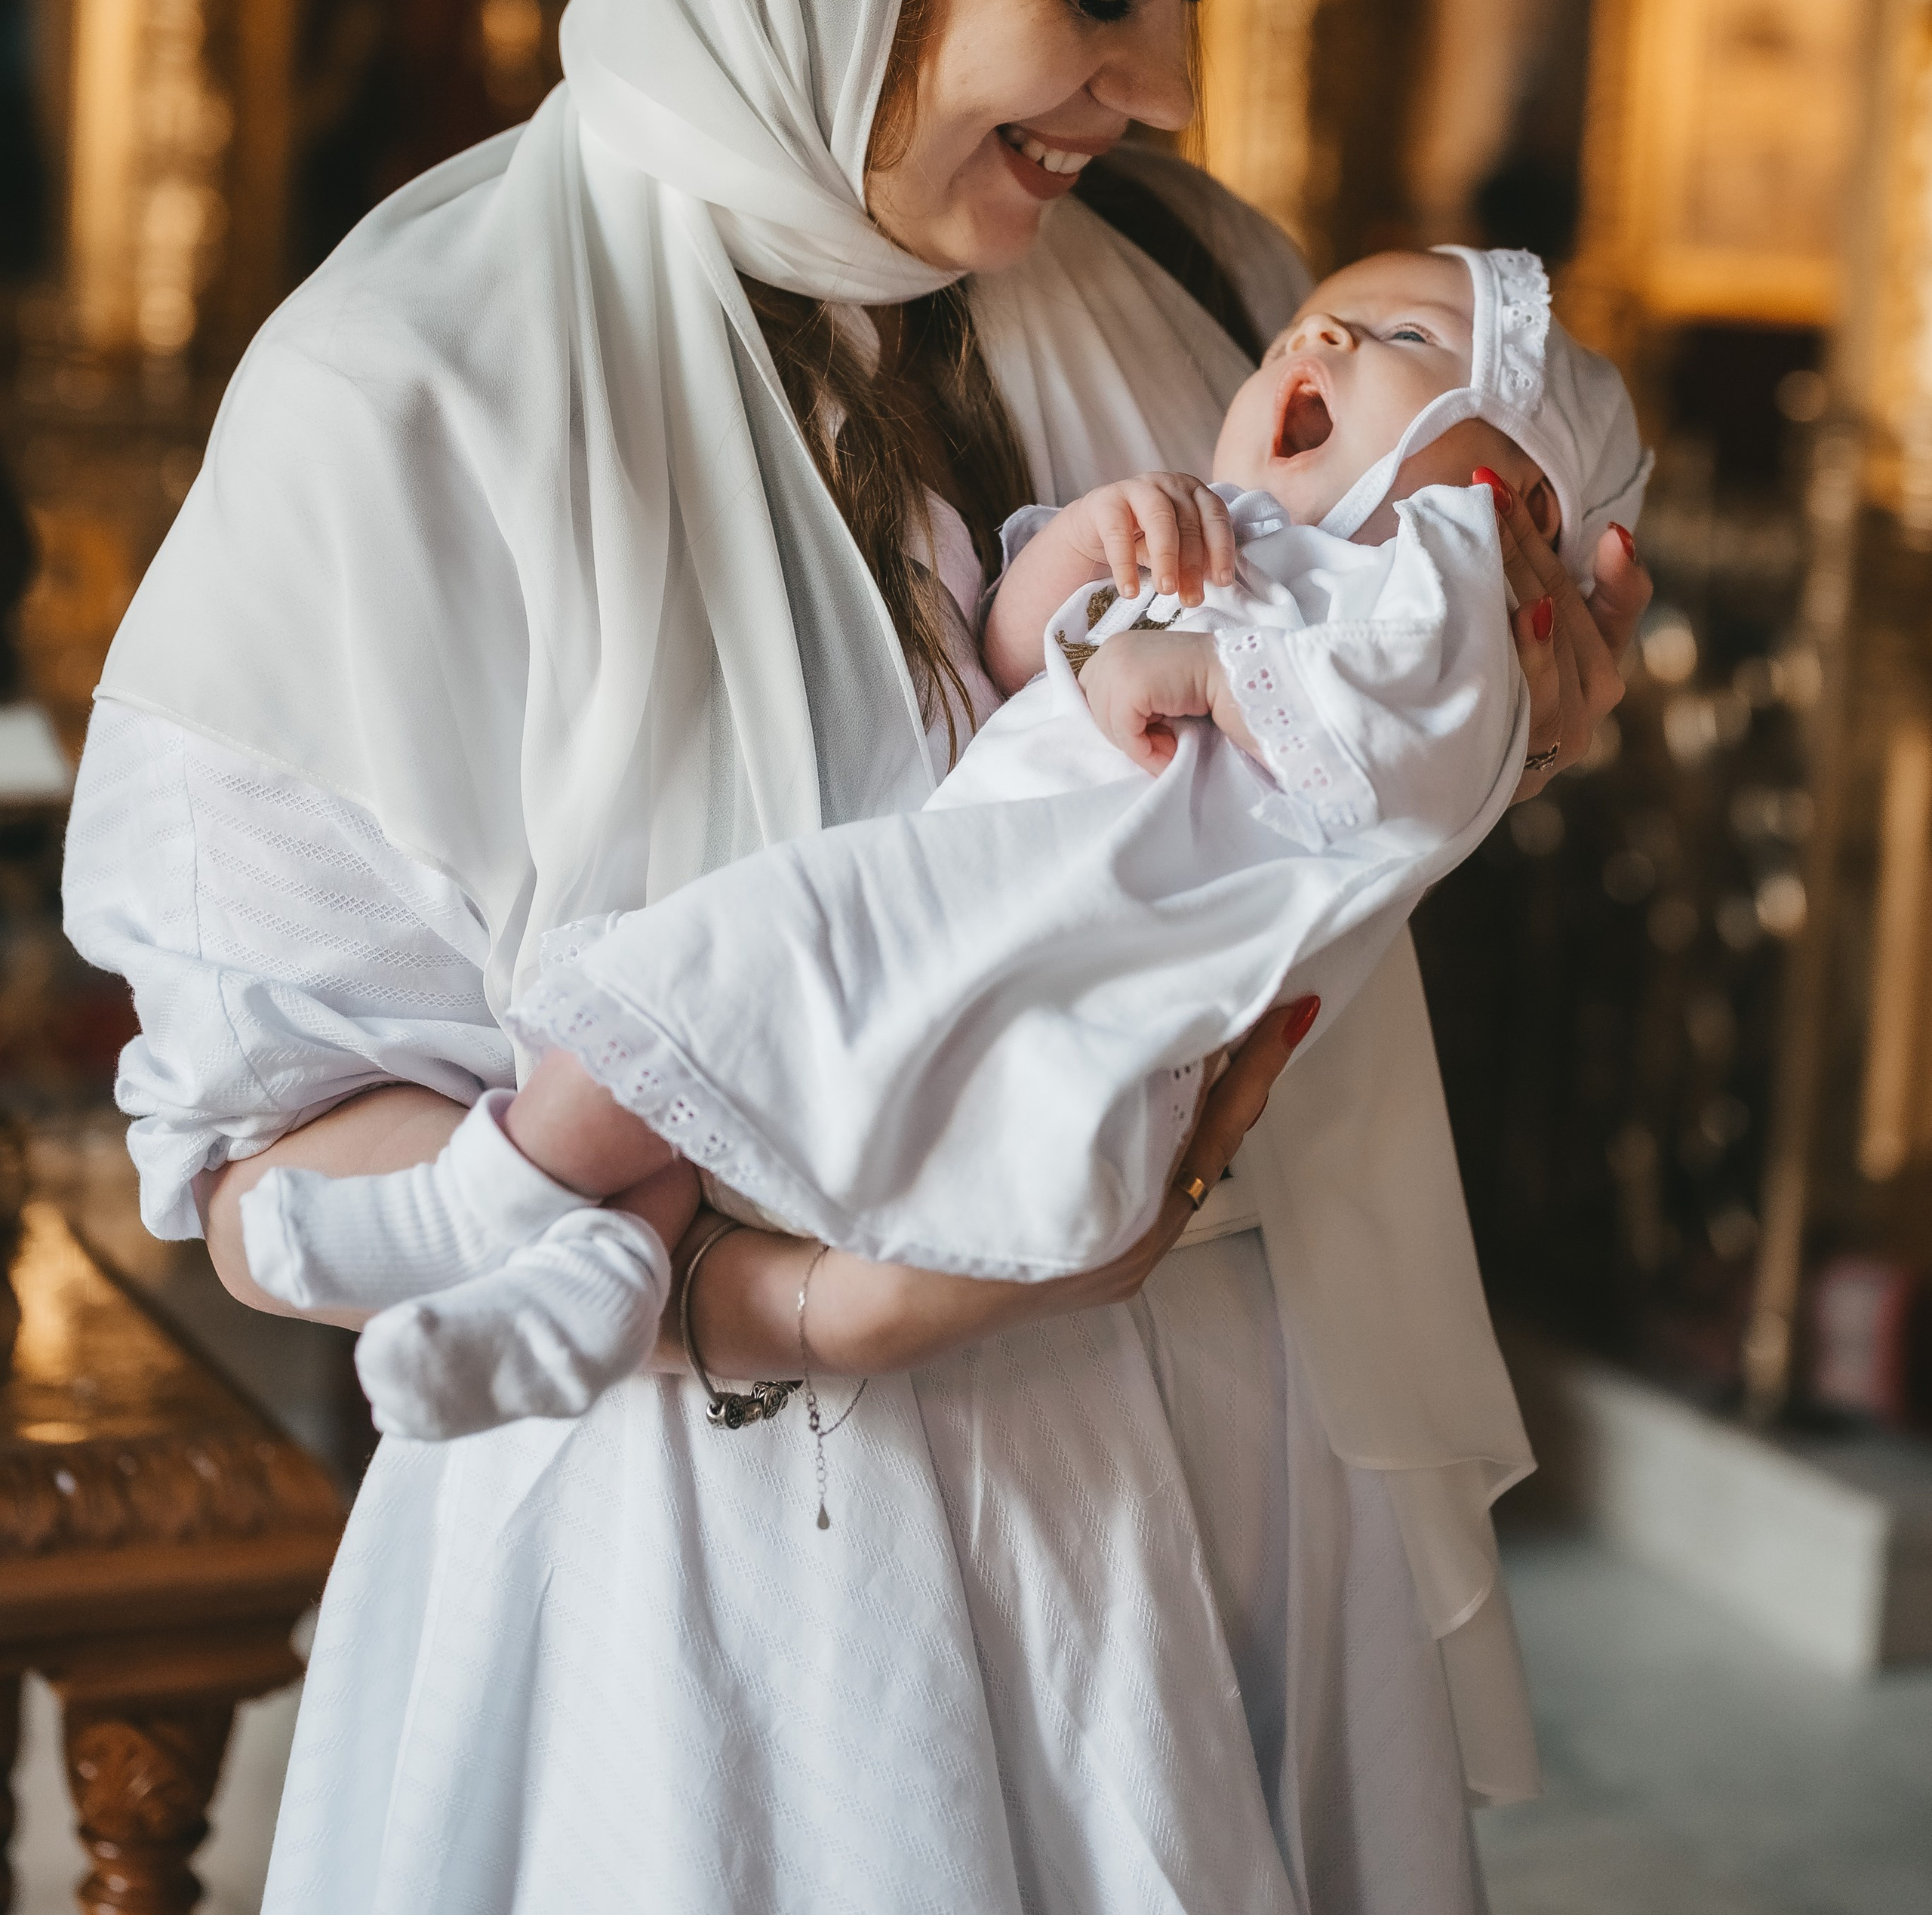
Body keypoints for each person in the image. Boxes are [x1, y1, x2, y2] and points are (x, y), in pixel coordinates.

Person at [64, 0, 1647, 1915]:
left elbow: (1248, 827)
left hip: (1223, 1492)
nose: (1165, 88)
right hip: (725, 1580)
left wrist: (1492, 732)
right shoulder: (420, 390)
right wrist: (794, 1295)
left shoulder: (1205, 284)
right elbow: (265, 1164)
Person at [236, 243, 1650, 1456]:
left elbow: (1401, 752)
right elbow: (1018, 664)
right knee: (724, 1038)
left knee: (722, 968)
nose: (1322, 332)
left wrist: (1221, 680)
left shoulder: (1445, 582)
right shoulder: (1242, 547)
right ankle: (598, 1266)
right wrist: (1086, 555)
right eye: (1316, 320)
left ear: (1521, 500)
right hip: (995, 930)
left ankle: (478, 1205)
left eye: (1414, 337)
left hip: (1056, 951)